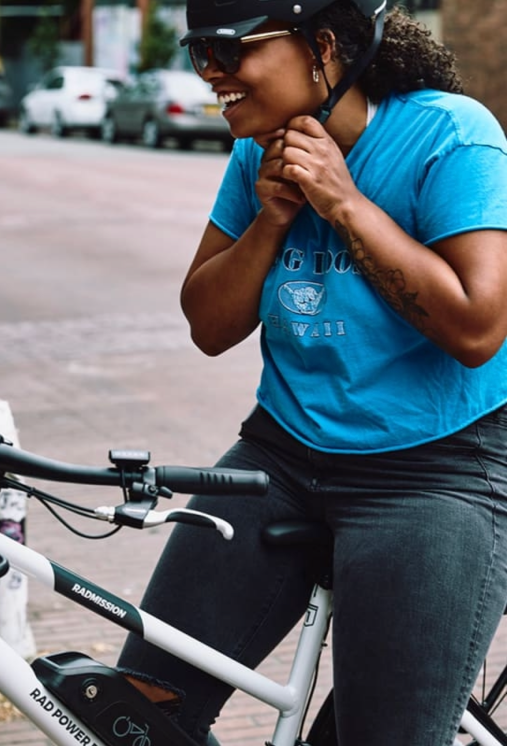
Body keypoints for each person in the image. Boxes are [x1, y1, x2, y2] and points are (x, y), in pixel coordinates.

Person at [118, 0, 507, 744]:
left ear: (322, 47)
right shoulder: (255, 154)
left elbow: (477, 327)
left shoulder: (452, 136)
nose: (213, 76)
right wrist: (269, 220)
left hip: (437, 465)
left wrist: (344, 201)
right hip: (282, 452)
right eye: (198, 54)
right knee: (137, 713)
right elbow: (209, 326)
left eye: (229, 50)